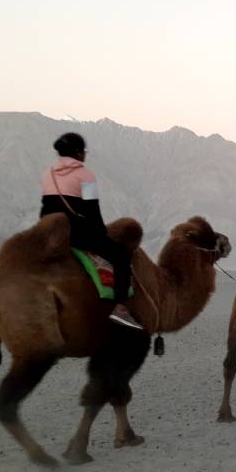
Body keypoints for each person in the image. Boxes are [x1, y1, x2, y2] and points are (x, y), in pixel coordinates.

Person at [39, 132, 142, 330]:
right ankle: (121, 308)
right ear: (78, 153)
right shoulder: (85, 175)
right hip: (75, 234)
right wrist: (101, 233)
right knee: (120, 255)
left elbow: (47, 206)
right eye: (84, 151)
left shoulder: (47, 173)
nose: (84, 155)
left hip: (48, 232)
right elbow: (91, 211)